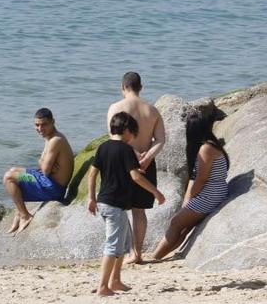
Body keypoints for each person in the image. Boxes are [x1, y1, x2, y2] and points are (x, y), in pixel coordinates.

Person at [87, 112, 166, 297]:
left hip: (107, 202)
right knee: (113, 245)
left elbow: (92, 174)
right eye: (134, 132)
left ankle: (115, 280)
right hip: (114, 205)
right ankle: (102, 287)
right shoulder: (125, 149)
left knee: (122, 244)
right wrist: (156, 192)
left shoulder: (103, 147)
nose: (134, 136)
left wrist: (91, 197)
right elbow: (136, 176)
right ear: (127, 130)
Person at [151, 108, 230, 260]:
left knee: (175, 223)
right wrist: (187, 200)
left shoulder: (206, 149)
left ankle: (155, 257)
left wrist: (190, 199)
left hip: (211, 193)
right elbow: (196, 177)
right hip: (215, 190)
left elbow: (201, 179)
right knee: (184, 227)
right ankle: (160, 256)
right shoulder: (211, 144)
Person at [106, 71, 166, 264]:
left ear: (123, 87)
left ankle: (123, 251)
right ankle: (137, 253)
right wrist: (146, 157)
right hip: (146, 165)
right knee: (139, 211)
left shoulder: (115, 107)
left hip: (124, 163)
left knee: (120, 210)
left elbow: (113, 136)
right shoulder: (152, 110)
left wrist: (132, 153)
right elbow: (161, 140)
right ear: (141, 87)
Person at [3, 108, 74, 235]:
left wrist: (43, 162)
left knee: (9, 178)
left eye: (44, 125)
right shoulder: (50, 137)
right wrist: (44, 162)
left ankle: (24, 215)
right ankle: (19, 211)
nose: (40, 129)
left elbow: (45, 171)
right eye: (37, 125)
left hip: (52, 187)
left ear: (53, 122)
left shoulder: (56, 140)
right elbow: (44, 167)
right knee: (13, 170)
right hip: (46, 180)